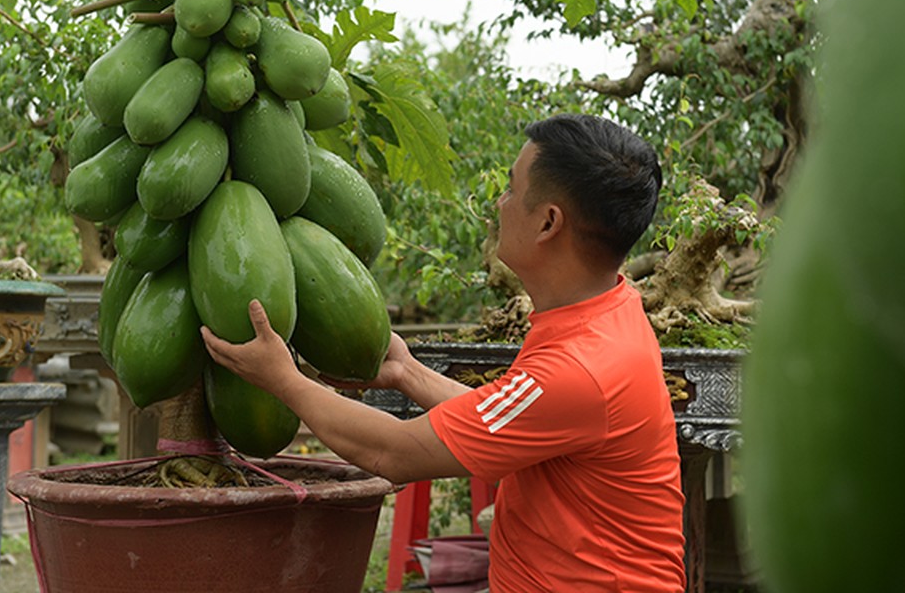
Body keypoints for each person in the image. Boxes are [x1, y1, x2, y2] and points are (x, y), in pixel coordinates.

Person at [201, 113, 686, 592]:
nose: (500, 203)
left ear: (548, 222)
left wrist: (284, 381)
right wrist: (409, 372)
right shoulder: (604, 314)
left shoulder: (580, 368)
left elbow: (392, 452)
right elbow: (504, 415)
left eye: (512, 189)